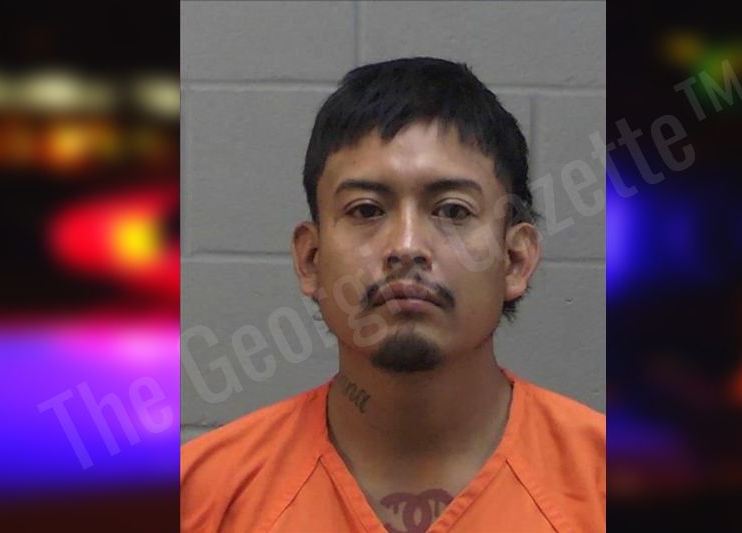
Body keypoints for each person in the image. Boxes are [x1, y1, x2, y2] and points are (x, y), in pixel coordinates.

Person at [181, 57, 605, 533]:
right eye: (366, 210)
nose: (406, 247)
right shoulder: (200, 496)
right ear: (311, 260)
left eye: (452, 211)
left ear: (514, 260)